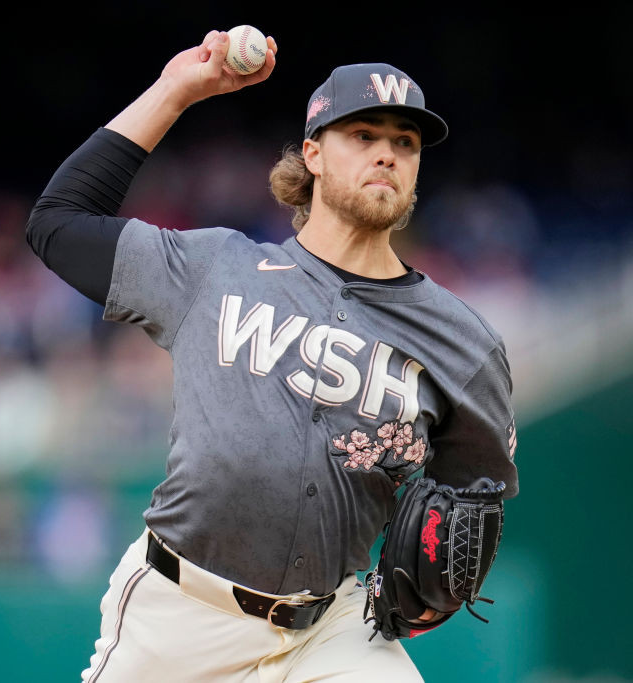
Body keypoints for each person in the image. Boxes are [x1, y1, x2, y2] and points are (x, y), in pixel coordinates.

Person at [26, 28, 519, 683]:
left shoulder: (464, 342)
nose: (388, 154)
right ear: (312, 153)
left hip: (330, 627)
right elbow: (57, 222)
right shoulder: (213, 267)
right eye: (363, 135)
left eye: (405, 142)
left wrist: (434, 587)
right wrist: (175, 91)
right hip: (180, 616)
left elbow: (473, 495)